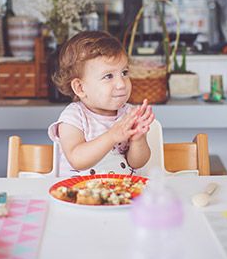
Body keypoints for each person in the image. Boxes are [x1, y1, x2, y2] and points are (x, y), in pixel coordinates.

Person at [48, 31, 154, 176]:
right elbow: (76, 159)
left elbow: (137, 163)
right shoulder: (73, 116)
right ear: (80, 88)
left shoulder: (129, 114)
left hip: (122, 193)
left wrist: (138, 140)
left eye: (124, 73)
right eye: (108, 76)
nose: (121, 84)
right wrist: (112, 136)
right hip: (78, 194)